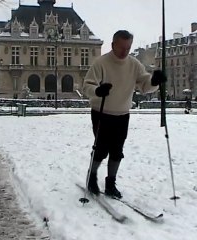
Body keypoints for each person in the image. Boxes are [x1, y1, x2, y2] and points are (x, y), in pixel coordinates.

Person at [82, 30, 167, 198]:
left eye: (128, 48)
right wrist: (98, 90)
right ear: (113, 44)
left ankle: (110, 182)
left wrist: (155, 82)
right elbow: (87, 86)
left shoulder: (134, 64)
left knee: (117, 150)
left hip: (122, 114)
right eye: (121, 47)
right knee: (100, 149)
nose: (124, 52)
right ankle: (91, 176)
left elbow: (145, 85)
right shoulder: (101, 63)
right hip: (101, 112)